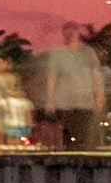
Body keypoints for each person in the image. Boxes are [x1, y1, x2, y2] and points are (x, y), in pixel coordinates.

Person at [43, 23, 102, 151]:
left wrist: (99, 96)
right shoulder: (57, 53)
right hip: (65, 101)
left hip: (85, 100)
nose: (70, 35)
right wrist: (49, 100)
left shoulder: (88, 52)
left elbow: (96, 75)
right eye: (67, 33)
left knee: (84, 133)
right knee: (67, 133)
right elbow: (51, 77)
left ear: (77, 34)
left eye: (73, 32)